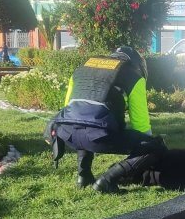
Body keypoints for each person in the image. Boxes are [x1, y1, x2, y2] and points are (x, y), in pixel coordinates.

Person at [44, 46, 166, 193]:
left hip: (67, 133)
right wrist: (146, 149)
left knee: (83, 121)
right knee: (155, 146)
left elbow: (70, 109)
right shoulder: (133, 76)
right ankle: (106, 181)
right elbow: (141, 126)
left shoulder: (81, 69)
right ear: (137, 64)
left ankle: (83, 176)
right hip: (98, 137)